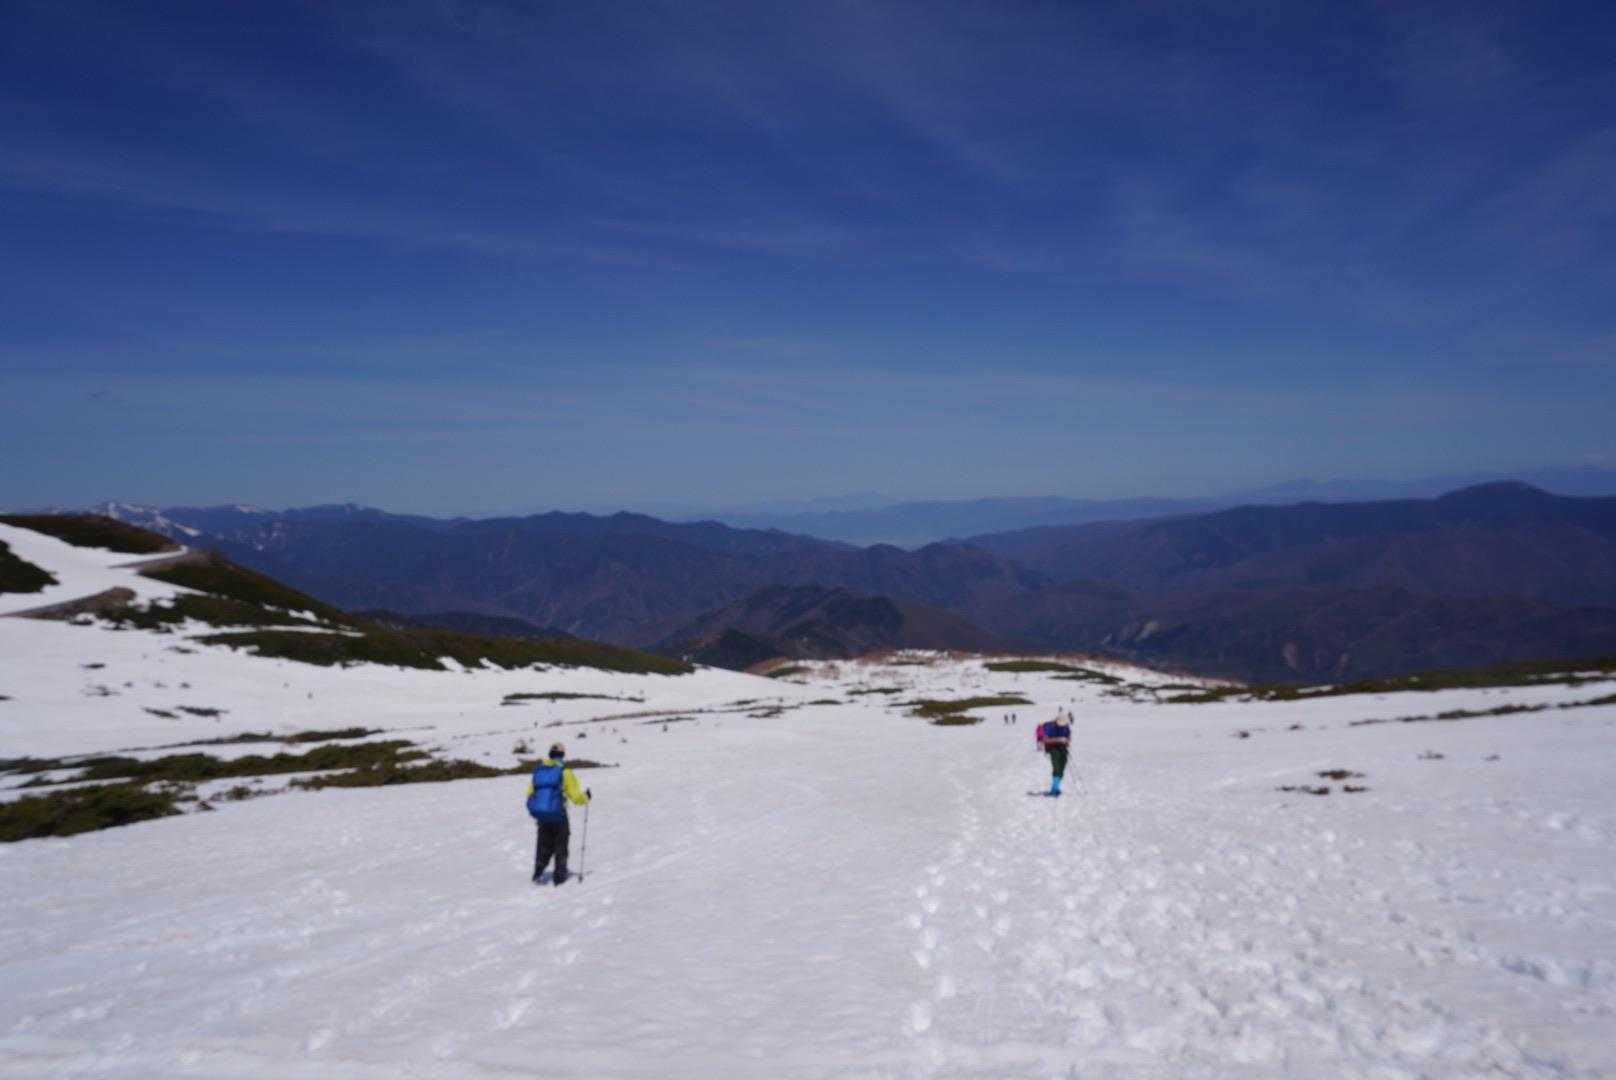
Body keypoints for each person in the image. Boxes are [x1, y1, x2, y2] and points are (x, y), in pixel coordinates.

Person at [527, 742, 591, 885]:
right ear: (562, 755)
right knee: (561, 845)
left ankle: (538, 872)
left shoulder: (539, 771)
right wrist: (586, 797)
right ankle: (559, 877)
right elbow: (575, 797)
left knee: (543, 844)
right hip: (559, 815)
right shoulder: (565, 772)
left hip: (542, 816)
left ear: (550, 754)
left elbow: (530, 794)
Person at [1034, 711, 1072, 796]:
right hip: (1053, 749)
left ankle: (1056, 788)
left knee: (1061, 768)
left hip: (1063, 749)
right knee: (1056, 768)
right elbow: (1045, 740)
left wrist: (1067, 741)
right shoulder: (1051, 726)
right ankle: (1053, 790)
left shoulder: (1066, 725)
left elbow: (1068, 735)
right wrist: (1059, 739)